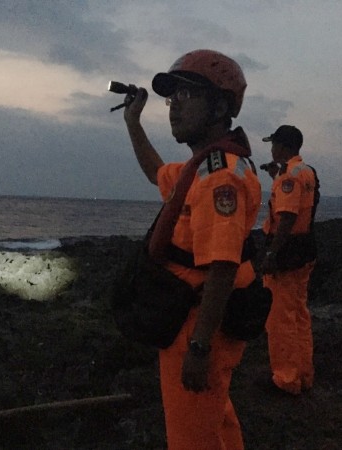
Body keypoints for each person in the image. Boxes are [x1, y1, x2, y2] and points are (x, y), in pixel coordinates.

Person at [122, 49, 262, 449]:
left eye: (186, 96)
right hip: (196, 317)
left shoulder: (221, 178)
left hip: (200, 323)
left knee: (191, 437)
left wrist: (199, 347)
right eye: (171, 98)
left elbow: (222, 266)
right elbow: (157, 173)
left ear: (219, 105)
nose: (173, 108)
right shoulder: (198, 169)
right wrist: (133, 122)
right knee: (213, 419)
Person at [259, 125, 319, 396]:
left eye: (274, 145)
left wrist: (272, 253)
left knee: (280, 318)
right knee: (299, 314)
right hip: (304, 250)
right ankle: (304, 373)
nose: (271, 149)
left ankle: (286, 379)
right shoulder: (305, 172)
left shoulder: (288, 177)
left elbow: (287, 216)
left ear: (283, 147)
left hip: (287, 255)